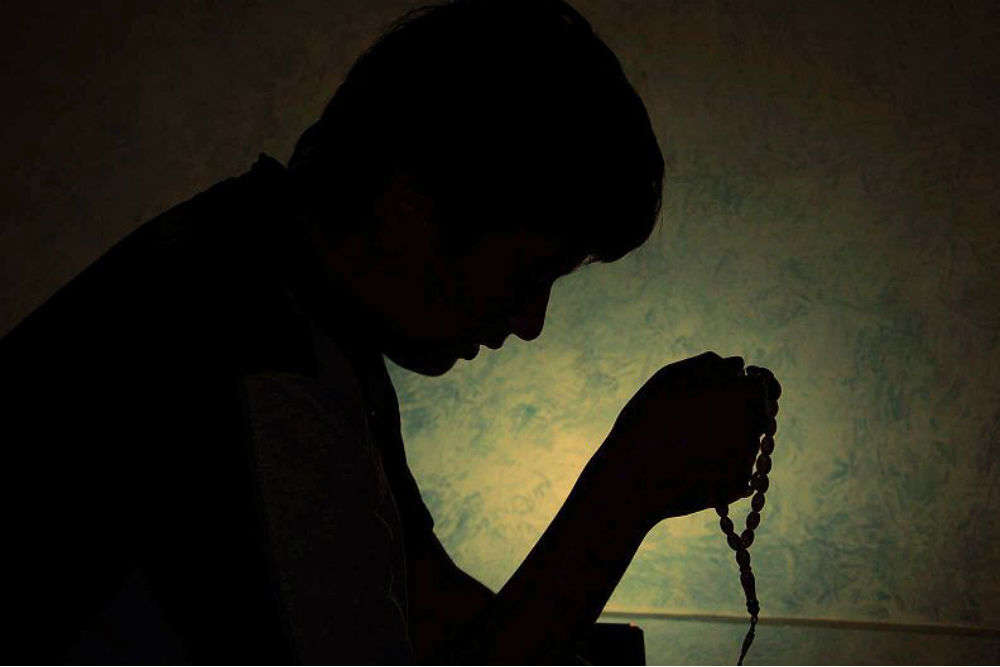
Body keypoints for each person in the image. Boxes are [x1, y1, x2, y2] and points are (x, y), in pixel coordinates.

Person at [2, 0, 779, 663]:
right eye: (527, 273)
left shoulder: (289, 289)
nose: (530, 322)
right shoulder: (252, 363)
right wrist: (628, 487)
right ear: (411, 206)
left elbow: (426, 611)